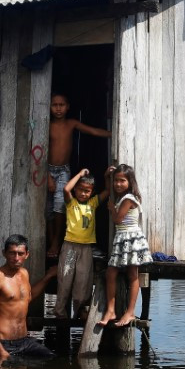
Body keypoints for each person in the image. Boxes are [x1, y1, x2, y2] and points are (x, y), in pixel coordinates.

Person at [47, 93, 111, 258]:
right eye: (54, 105)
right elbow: (39, 148)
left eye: (62, 105)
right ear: (48, 106)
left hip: (63, 170)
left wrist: (113, 133)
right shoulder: (46, 125)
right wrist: (46, 176)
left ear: (68, 107)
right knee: (47, 209)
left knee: (60, 206)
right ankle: (49, 240)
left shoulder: (71, 123)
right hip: (47, 169)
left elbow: (93, 131)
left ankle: (56, 242)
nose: (58, 108)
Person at [0, 234, 58, 359]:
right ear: (4, 253)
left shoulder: (24, 273)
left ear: (27, 254)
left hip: (24, 341)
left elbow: (27, 298)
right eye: (12, 253)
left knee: (51, 359)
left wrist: (47, 277)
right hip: (4, 343)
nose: (16, 258)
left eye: (20, 254)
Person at [98, 164, 153, 327]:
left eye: (122, 180)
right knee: (112, 273)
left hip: (129, 238)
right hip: (123, 238)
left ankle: (129, 312)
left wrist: (111, 209)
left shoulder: (128, 199)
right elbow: (110, 193)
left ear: (130, 182)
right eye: (116, 180)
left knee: (131, 275)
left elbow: (117, 220)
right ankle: (111, 310)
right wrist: (106, 177)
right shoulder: (122, 197)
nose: (118, 184)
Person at [55, 168, 110, 319]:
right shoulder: (71, 203)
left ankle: (79, 310)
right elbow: (66, 189)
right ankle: (59, 311)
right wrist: (79, 175)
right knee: (65, 278)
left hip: (86, 248)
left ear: (91, 192)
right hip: (70, 246)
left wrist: (106, 176)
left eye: (87, 191)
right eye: (80, 190)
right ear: (76, 189)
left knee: (83, 280)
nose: (84, 193)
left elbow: (107, 191)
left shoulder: (92, 203)